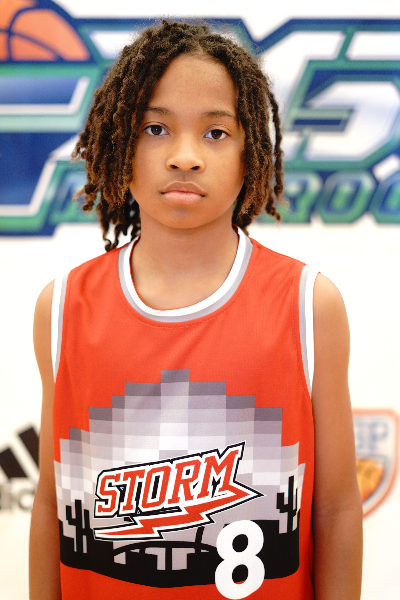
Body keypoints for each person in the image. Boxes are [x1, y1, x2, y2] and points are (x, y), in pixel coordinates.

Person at [29, 20, 362, 600]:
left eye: (215, 133)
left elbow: (334, 508)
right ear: (120, 144)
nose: (185, 157)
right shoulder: (61, 307)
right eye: (155, 128)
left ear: (251, 153)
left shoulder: (309, 304)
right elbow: (52, 502)